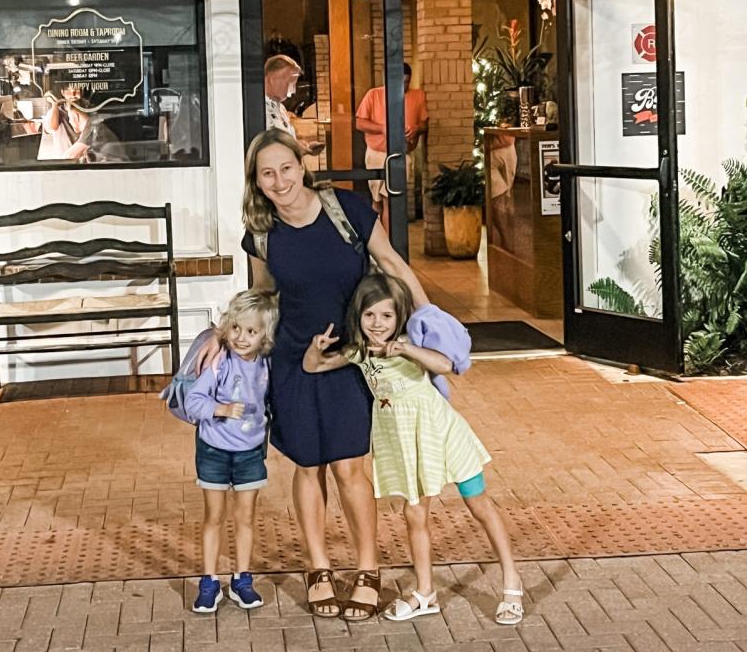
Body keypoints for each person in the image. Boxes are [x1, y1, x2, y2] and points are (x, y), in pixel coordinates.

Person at [198, 128, 430, 621]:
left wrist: (430, 325)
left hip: (349, 356)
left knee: (350, 466)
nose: (279, 180)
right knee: (308, 465)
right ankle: (318, 565)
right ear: (256, 182)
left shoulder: (347, 211)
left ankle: (368, 568)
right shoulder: (261, 233)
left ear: (302, 166)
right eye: (267, 173)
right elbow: (262, 295)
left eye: (286, 168)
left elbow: (391, 264)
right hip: (292, 361)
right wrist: (219, 341)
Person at [302, 273, 524, 625]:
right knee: (414, 515)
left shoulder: (408, 343)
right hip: (406, 444)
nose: (378, 324)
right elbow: (314, 367)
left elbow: (446, 366)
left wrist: (405, 347)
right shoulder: (360, 351)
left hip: (442, 435)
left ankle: (511, 583)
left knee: (478, 503)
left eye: (386, 316)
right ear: (358, 315)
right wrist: (315, 349)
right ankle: (425, 593)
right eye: (370, 315)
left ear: (399, 317)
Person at [184, 289, 280, 614]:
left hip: (250, 452)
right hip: (213, 450)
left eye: (251, 332)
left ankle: (242, 580)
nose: (241, 337)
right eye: (236, 328)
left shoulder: (266, 364)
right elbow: (193, 402)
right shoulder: (220, 360)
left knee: (246, 519)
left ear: (264, 335)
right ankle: (209, 581)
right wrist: (221, 409)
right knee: (214, 517)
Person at [355, 63, 429, 231]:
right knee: (377, 202)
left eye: (406, 82)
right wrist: (383, 128)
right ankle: (379, 244)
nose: (403, 86)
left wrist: (416, 129)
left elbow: (424, 123)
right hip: (376, 154)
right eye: (399, 82)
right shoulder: (373, 95)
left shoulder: (417, 96)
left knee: (391, 202)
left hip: (400, 156)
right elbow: (359, 123)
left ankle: (390, 246)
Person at [264, 55, 324, 157]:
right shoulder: (259, 110)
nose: (293, 91)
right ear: (272, 79)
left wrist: (302, 146)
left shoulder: (281, 108)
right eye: (290, 84)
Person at [37, 84, 88, 160]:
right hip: (65, 158)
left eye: (76, 91)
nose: (73, 95)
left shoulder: (89, 108)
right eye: (69, 91)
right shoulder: (56, 111)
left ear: (82, 92)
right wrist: (55, 104)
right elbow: (52, 127)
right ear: (62, 92)